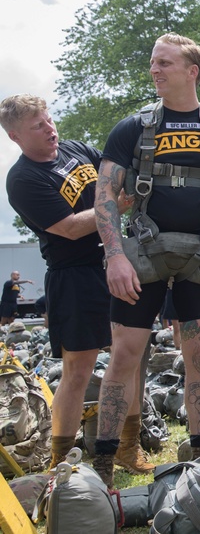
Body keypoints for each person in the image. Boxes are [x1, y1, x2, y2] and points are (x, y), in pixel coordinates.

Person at [93, 33, 200, 487]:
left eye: (165, 62)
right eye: (153, 62)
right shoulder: (133, 127)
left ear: (193, 71)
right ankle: (105, 461)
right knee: (124, 356)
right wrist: (114, 256)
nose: (155, 70)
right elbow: (105, 192)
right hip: (141, 255)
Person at [1, 94, 148, 472]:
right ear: (15, 136)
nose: (50, 129)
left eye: (49, 120)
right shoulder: (22, 179)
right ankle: (60, 460)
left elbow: (116, 176)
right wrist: (114, 205)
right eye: (38, 126)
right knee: (77, 369)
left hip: (119, 260)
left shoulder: (76, 149)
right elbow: (66, 228)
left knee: (129, 358)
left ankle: (129, 448)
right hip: (74, 276)